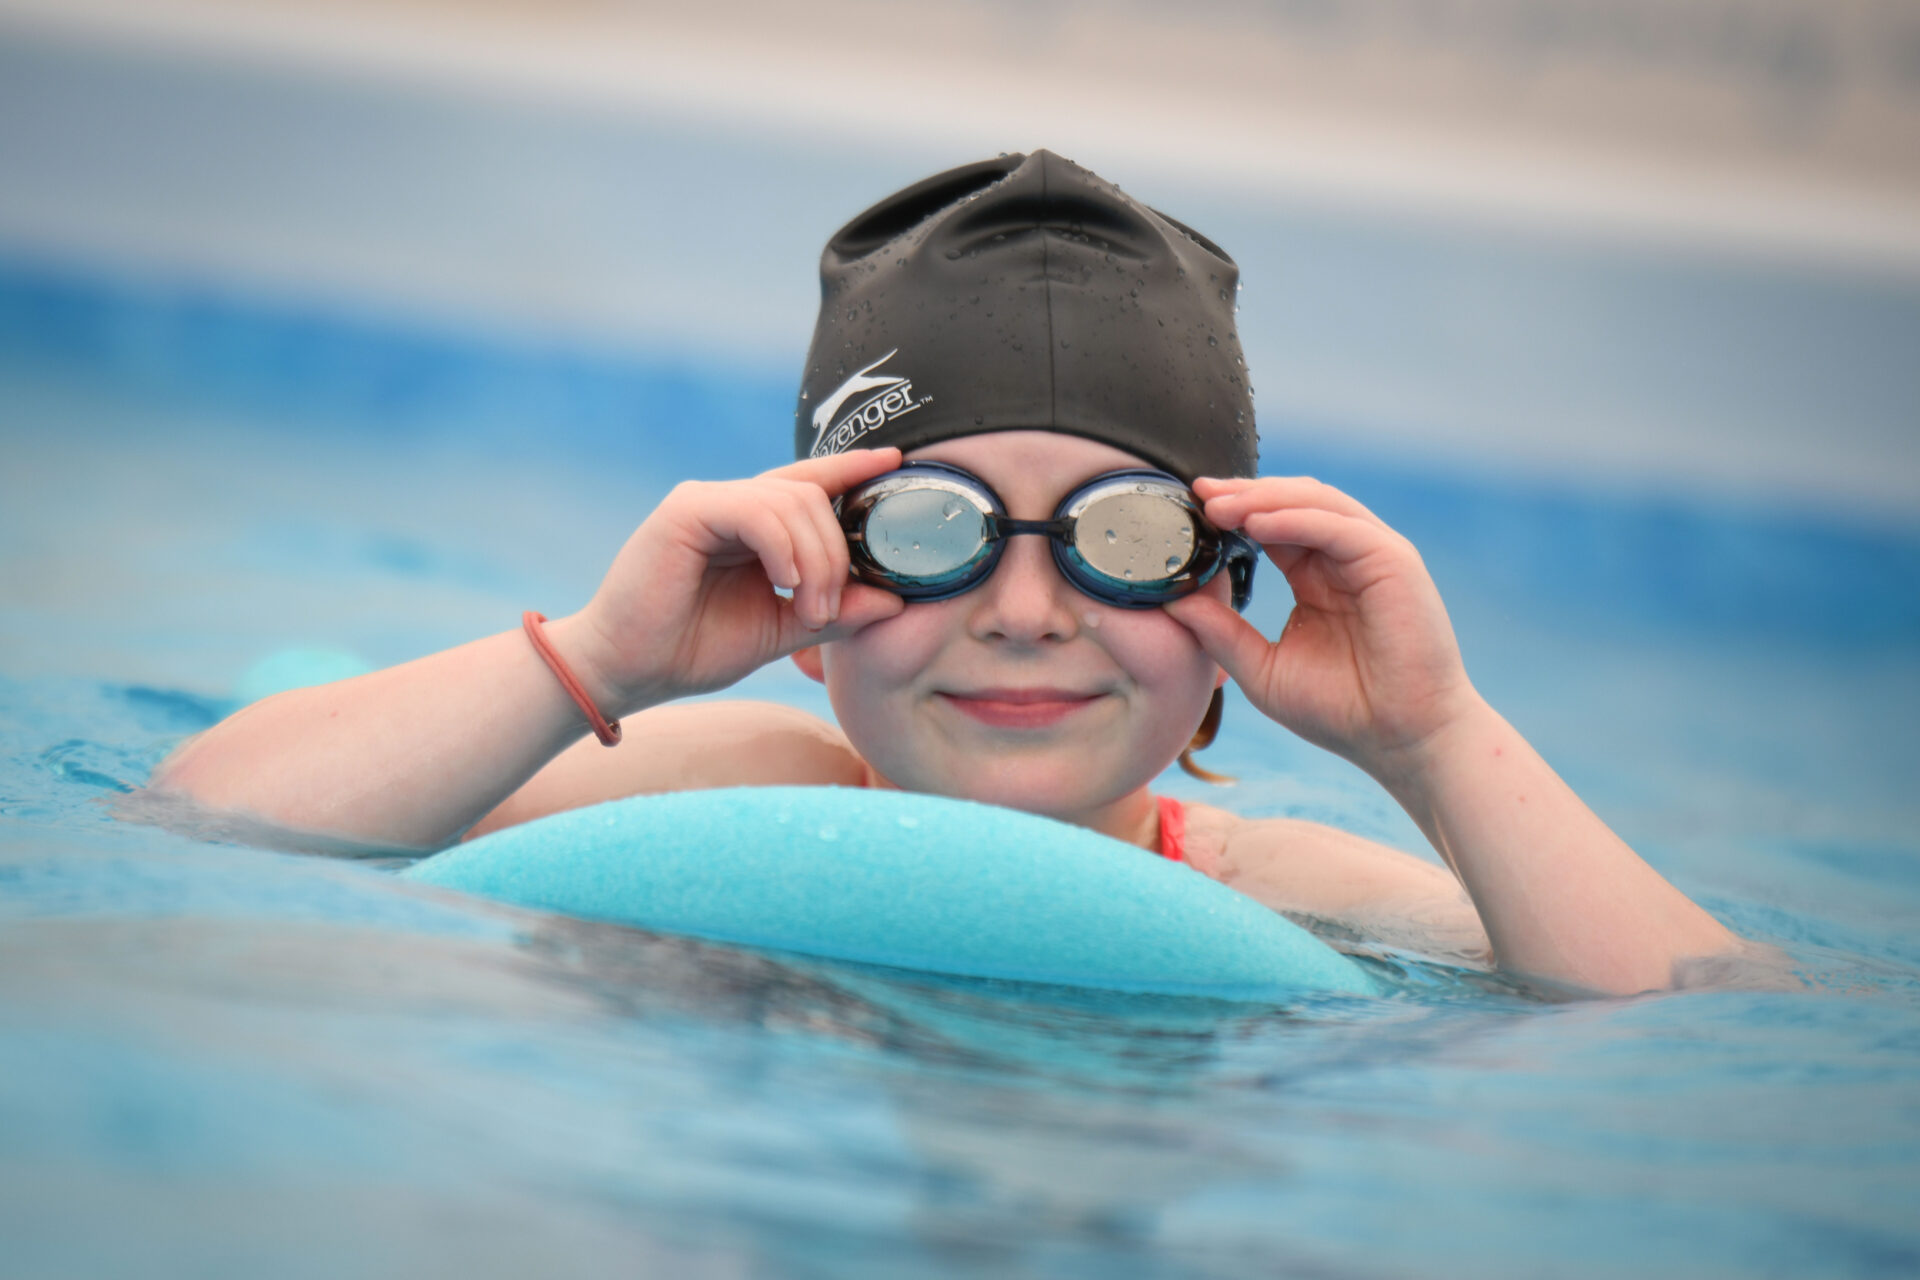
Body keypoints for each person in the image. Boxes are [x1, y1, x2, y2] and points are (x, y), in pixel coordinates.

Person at [150, 151, 1741, 996]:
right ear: (806, 601)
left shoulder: (1278, 895)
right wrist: (599, 661)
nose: (1028, 607)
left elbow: (1703, 1036)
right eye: (933, 529)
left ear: (1229, 604)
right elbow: (195, 829)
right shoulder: (729, 777)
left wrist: (1433, 737)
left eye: (1126, 542)